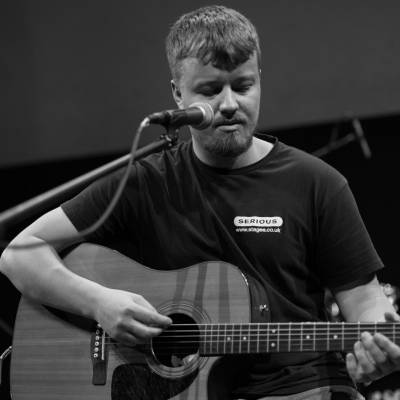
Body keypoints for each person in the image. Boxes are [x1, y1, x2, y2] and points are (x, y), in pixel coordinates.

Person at [1, 5, 400, 400]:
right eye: (210, 90)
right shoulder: (146, 181)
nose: (229, 104)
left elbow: (365, 300)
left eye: (243, 86)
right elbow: (19, 255)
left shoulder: (318, 183)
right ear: (178, 94)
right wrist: (100, 303)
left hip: (303, 387)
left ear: (259, 80)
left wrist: (375, 344)